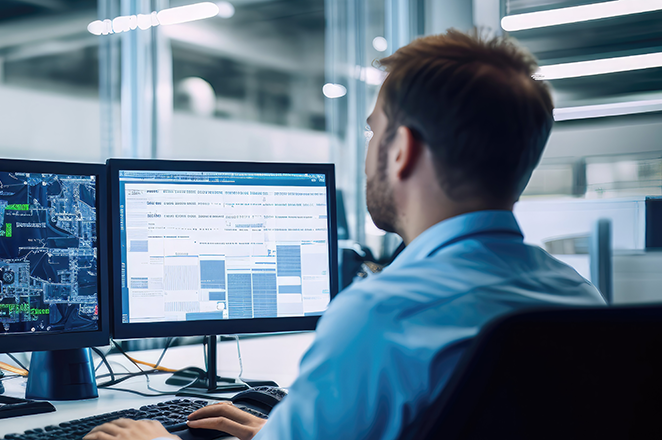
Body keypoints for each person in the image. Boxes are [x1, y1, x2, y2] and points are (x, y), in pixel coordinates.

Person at [83, 28, 607, 440]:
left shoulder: (382, 313)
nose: (368, 149)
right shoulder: (580, 298)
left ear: (401, 151)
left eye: (373, 130)